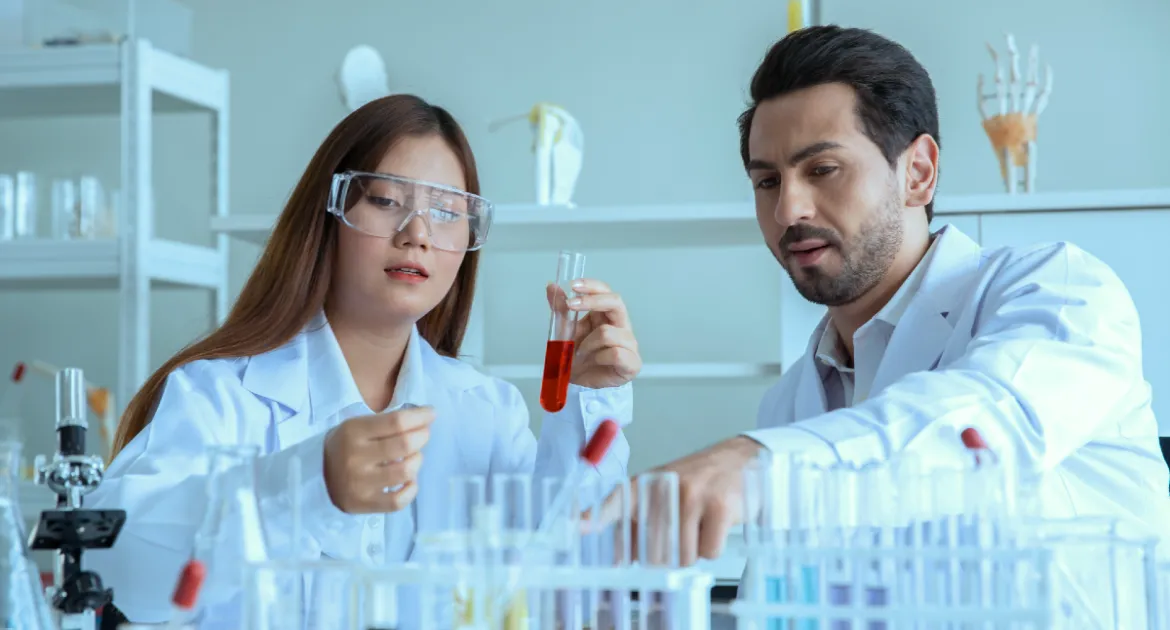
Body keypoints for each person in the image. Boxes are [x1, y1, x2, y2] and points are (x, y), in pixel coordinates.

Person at [606, 25, 1170, 566]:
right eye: (768, 181)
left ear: (918, 173)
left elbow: (980, 433)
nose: (787, 210)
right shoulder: (788, 404)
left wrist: (760, 463)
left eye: (823, 169)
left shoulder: (1058, 290)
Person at [85, 94, 642, 627]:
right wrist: (305, 484)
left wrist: (588, 402)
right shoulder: (220, 395)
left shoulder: (484, 412)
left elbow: (566, 560)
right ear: (328, 214)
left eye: (447, 212)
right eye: (385, 200)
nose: (417, 234)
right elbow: (115, 564)